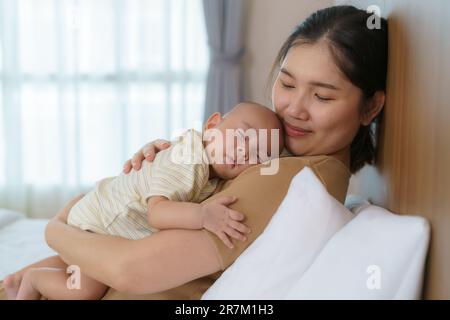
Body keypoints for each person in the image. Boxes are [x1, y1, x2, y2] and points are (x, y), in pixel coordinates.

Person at [0, 5, 388, 300]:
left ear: (370, 108)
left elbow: (130, 269)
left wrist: (57, 228)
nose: (293, 108)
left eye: (321, 95)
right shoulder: (278, 160)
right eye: (286, 84)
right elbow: (150, 226)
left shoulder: (294, 179)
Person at [5, 102, 284, 300]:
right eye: (241, 135)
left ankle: (43, 269)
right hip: (101, 225)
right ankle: (35, 280)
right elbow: (158, 214)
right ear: (212, 125)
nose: (243, 150)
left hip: (102, 216)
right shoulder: (188, 164)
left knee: (76, 267)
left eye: (258, 154)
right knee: (84, 291)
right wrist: (203, 216)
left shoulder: (205, 166)